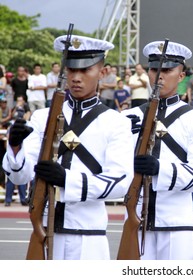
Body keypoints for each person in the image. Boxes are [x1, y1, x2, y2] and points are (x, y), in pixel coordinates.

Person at [2, 35, 135, 260]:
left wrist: (67, 180)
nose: (76, 77)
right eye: (72, 70)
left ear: (102, 73)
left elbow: (120, 182)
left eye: (85, 70)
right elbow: (20, 177)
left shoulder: (116, 121)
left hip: (88, 237)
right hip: (43, 230)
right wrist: (15, 149)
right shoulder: (42, 116)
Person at [122, 40, 193, 260]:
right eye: (154, 69)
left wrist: (159, 169)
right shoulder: (127, 117)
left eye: (167, 70)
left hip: (175, 223)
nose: (159, 76)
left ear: (181, 76)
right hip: (135, 219)